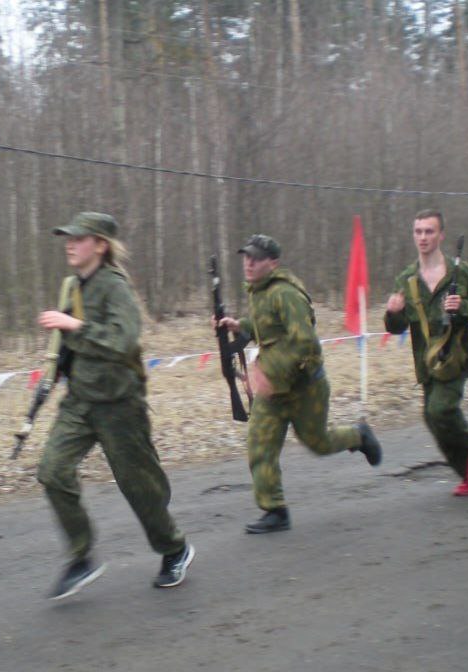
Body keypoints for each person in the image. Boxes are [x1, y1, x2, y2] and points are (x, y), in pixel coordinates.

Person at [36, 212, 194, 600]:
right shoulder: (71, 287)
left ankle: (174, 549)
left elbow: (123, 341)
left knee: (139, 488)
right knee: (52, 471)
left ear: (100, 245)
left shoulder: (115, 287)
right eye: (67, 239)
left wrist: (74, 327)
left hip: (120, 404)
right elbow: (65, 347)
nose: (69, 245)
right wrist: (52, 372)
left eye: (79, 238)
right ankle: (80, 556)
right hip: (80, 402)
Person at [215, 234, 383, 534]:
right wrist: (241, 325)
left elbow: (305, 344)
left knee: (317, 442)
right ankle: (275, 510)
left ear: (273, 263)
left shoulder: (285, 293)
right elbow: (269, 328)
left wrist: (266, 373)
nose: (249, 263)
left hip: (306, 386)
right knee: (259, 445)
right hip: (274, 390)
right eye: (246, 257)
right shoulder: (259, 291)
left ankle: (359, 435)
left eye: (256, 258)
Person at [384, 210, 468, 496]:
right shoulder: (406, 279)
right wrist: (392, 313)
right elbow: (396, 328)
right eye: (418, 231)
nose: (423, 237)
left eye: (429, 231)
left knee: (440, 409)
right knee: (432, 419)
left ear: (441, 235)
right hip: (427, 361)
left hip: (458, 355)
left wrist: (463, 307)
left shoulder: (461, 272)